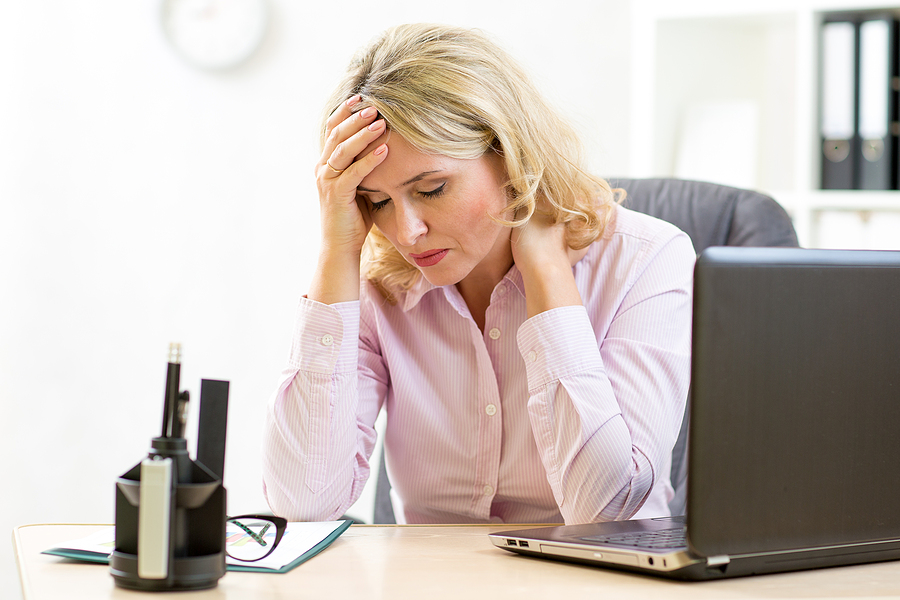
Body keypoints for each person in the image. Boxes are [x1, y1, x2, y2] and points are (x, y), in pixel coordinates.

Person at [262, 23, 694, 525]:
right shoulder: (377, 288)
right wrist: (337, 251)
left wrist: (547, 271)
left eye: (431, 189)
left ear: (510, 155)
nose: (407, 231)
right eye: (377, 201)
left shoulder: (646, 261)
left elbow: (607, 512)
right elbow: (303, 500)